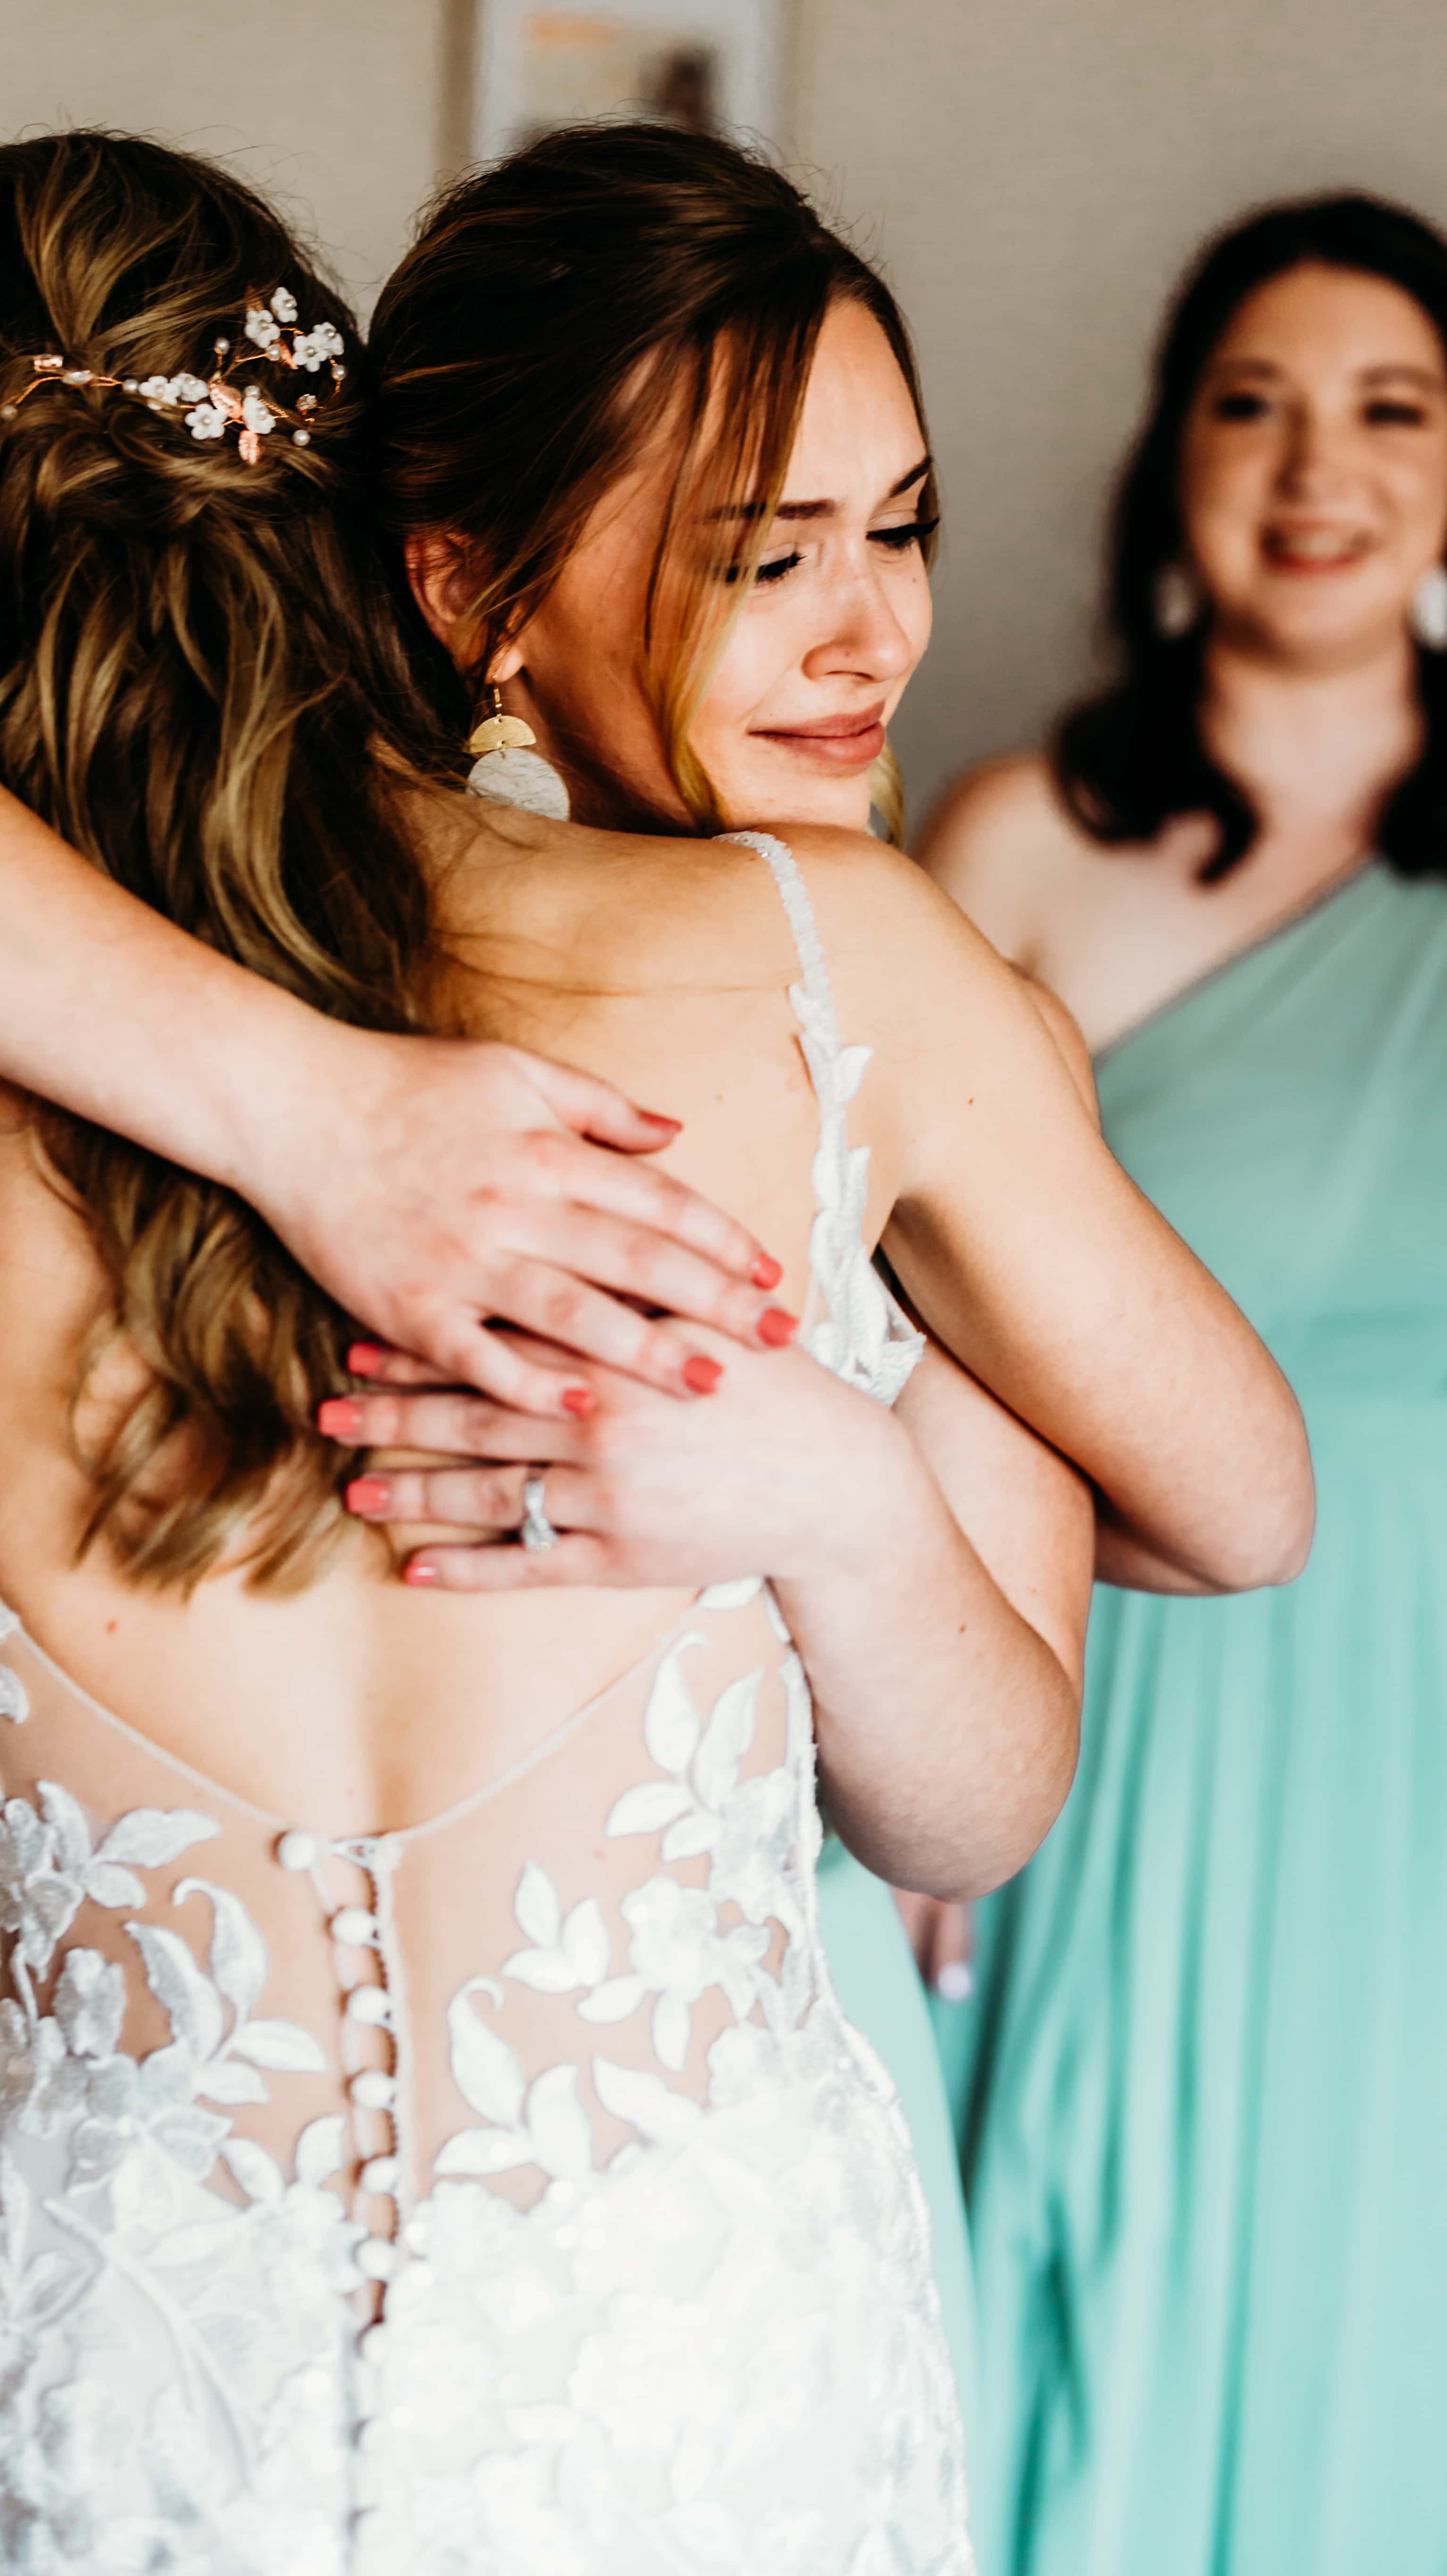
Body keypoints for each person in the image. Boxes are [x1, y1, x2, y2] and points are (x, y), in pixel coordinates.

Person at [0, 123, 1305, 2568]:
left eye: (900, 532)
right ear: (429, 566)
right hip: (689, 2380)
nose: (869, 630)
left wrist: (830, 1489)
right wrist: (321, 1117)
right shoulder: (840, 981)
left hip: (125, 2405)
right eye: (767, 553)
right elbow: (1209, 1540)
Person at [915, 192, 1447, 2576]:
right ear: (1173, 461)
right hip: (1134, 1669)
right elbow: (900, 1310)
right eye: (1255, 404)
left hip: (1423, 1707)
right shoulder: (1027, 841)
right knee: (1102, 2240)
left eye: (1391, 408)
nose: (1318, 466)